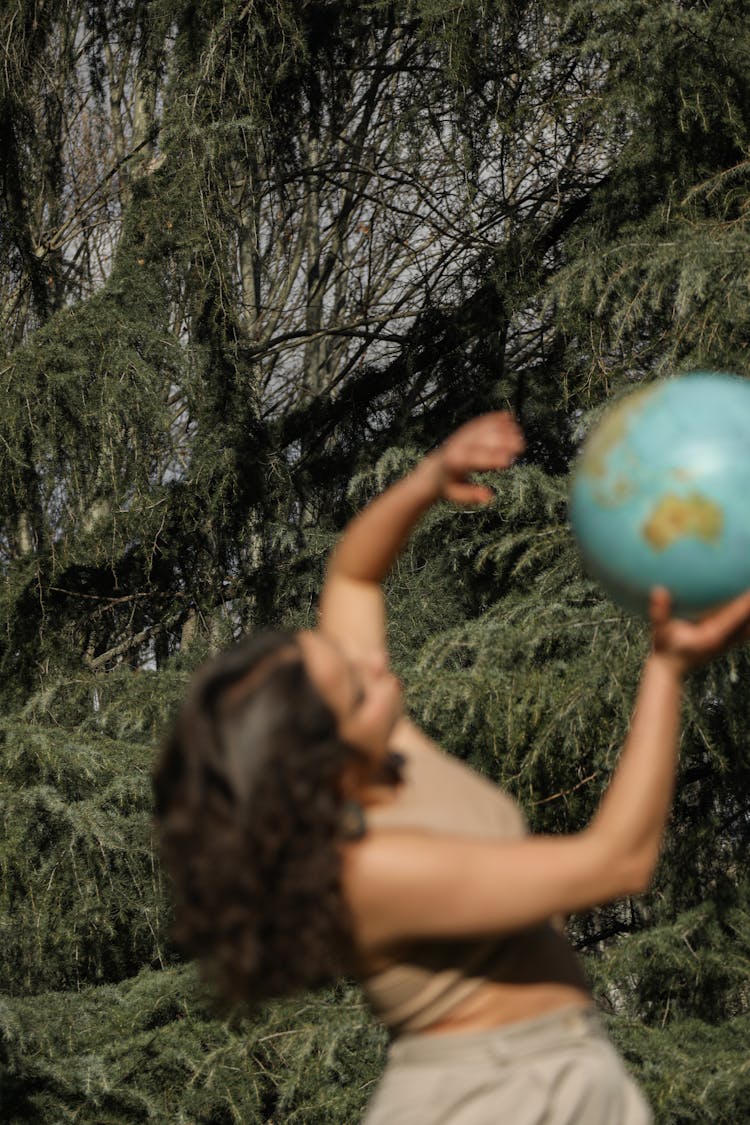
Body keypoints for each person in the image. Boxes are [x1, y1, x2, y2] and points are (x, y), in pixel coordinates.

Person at [153, 412, 750, 1124]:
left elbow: (354, 574)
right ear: (324, 761)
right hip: (488, 1097)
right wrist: (667, 667)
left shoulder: (388, 750)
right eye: (354, 683)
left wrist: (429, 479)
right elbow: (616, 863)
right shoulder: (368, 869)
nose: (374, 660)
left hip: (559, 1068)